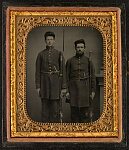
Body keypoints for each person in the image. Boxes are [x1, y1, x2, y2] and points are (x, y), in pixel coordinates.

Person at [35, 31, 66, 123]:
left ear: (54, 41)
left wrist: (63, 87)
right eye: (48, 39)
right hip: (44, 85)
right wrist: (38, 86)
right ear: (45, 41)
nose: (49, 41)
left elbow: (63, 71)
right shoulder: (40, 54)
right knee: (45, 111)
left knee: (55, 110)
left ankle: (54, 133)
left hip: (56, 85)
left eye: (51, 39)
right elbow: (37, 72)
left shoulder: (59, 54)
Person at [66, 39, 96, 123]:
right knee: (74, 115)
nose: (80, 49)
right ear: (75, 48)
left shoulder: (88, 61)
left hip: (85, 90)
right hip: (73, 90)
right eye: (78, 47)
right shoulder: (70, 61)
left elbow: (93, 77)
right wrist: (67, 91)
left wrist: (93, 90)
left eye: (81, 47)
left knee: (85, 115)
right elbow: (66, 77)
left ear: (84, 48)